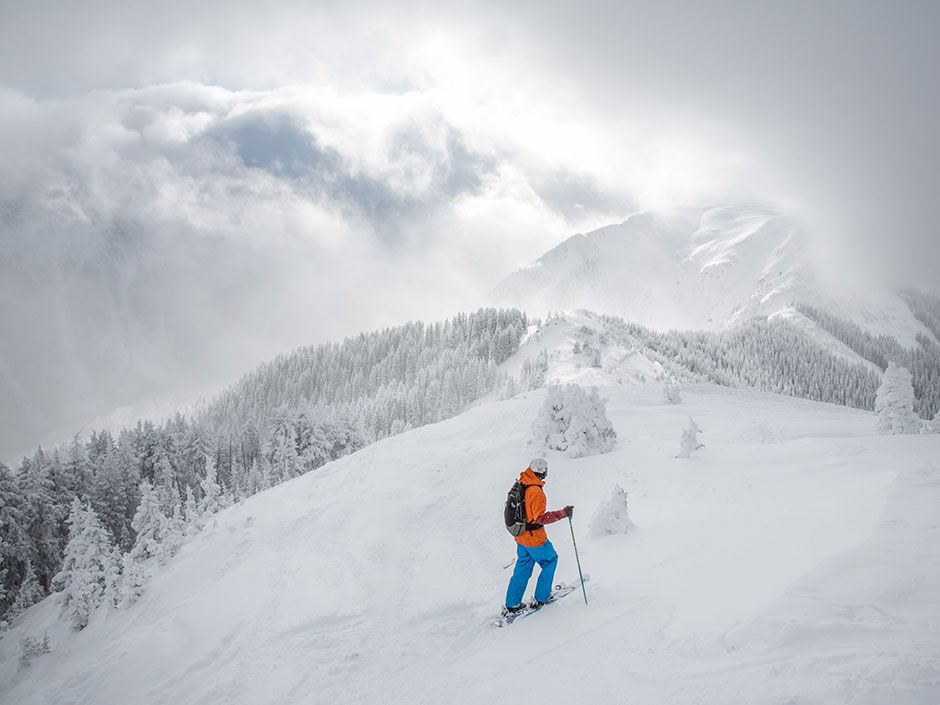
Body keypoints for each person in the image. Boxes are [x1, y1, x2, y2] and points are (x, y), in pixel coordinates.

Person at [503, 458, 573, 615]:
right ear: (543, 472)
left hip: (521, 536)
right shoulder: (536, 491)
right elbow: (539, 518)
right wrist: (563, 513)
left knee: (522, 567)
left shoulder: (522, 482)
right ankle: (542, 597)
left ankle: (512, 604)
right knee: (550, 560)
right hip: (534, 538)